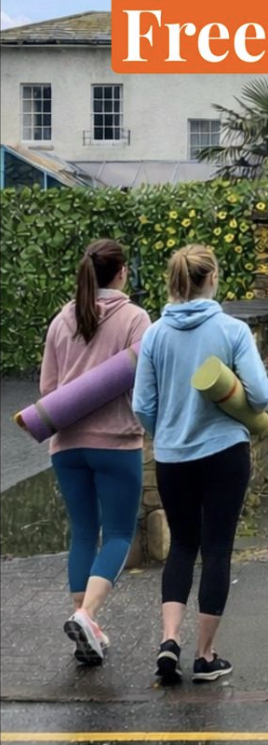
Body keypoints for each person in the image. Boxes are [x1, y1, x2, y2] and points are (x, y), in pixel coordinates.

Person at [132, 245, 268, 684]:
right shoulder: (231, 330)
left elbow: (142, 405)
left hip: (172, 459)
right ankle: (205, 655)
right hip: (224, 454)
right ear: (211, 278)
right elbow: (262, 395)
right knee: (216, 550)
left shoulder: (154, 335)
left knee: (182, 546)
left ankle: (169, 641)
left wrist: (170, 431)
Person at [40, 240, 151, 665]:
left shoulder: (61, 319)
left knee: (83, 533)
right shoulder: (136, 319)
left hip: (65, 446)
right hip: (116, 443)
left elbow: (48, 392)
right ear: (122, 271)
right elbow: (146, 382)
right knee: (120, 534)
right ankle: (86, 615)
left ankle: (86, 628)